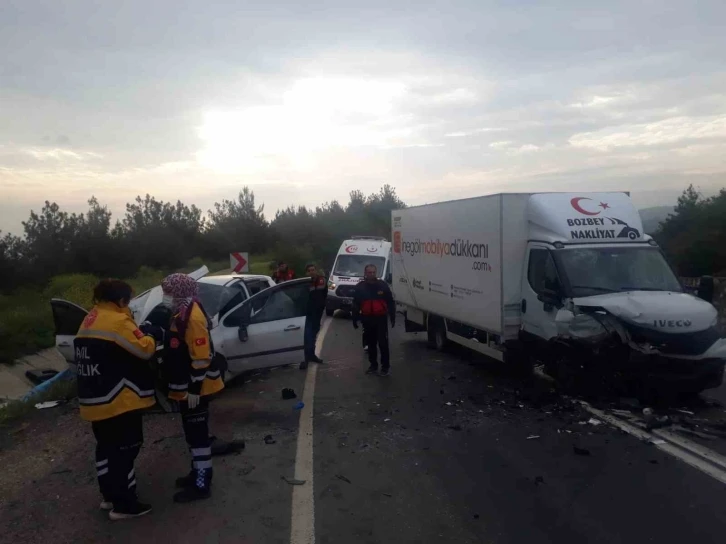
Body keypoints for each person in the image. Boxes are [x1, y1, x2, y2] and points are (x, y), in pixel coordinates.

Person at [74, 279, 163, 520]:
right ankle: (124, 504)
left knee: (106, 448)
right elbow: (144, 349)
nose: (130, 304)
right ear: (121, 300)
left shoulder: (91, 317)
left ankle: (109, 496)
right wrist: (153, 334)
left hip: (95, 399)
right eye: (129, 300)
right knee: (126, 449)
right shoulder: (118, 321)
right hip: (118, 399)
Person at [160, 273, 225, 503]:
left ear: (179, 291)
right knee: (192, 434)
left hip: (197, 388)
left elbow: (201, 357)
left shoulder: (193, 316)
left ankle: (202, 484)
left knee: (198, 437)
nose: (165, 295)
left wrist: (195, 389)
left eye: (168, 291)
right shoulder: (182, 311)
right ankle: (196, 472)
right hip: (188, 387)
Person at [352, 264, 395, 376]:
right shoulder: (360, 287)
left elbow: (390, 301)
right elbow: (356, 304)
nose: (371, 274)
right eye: (369, 272)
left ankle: (385, 367)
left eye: (373, 272)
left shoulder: (382, 285)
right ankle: (373, 365)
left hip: (380, 319)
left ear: (376, 273)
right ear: (365, 273)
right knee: (371, 344)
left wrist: (392, 316)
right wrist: (355, 318)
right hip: (367, 319)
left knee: (383, 344)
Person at [300, 263, 328, 369]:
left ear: (316, 270)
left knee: (314, 333)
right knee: (307, 336)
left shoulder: (323, 280)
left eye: (313, 270)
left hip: (318, 312)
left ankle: (311, 355)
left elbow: (325, 294)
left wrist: (323, 305)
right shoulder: (305, 283)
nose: (311, 272)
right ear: (306, 272)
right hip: (308, 313)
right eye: (309, 270)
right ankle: (305, 358)